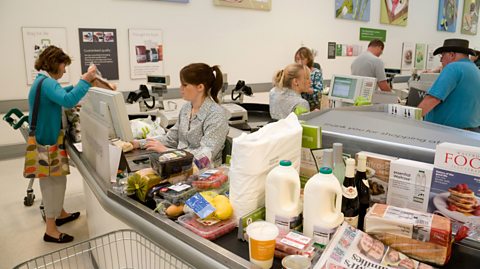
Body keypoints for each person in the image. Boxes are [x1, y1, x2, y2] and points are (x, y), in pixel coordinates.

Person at [28, 45, 97, 243]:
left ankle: (60, 213)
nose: (64, 70)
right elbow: (67, 101)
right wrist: (85, 81)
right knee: (53, 183)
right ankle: (51, 229)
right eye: (63, 65)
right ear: (55, 64)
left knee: (57, 180)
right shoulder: (47, 83)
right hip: (47, 142)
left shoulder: (44, 81)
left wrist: (80, 84)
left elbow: (60, 92)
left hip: (48, 138)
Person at [132, 63, 228, 168]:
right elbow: (171, 139)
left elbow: (204, 158)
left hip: (203, 175)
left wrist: (167, 152)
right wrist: (138, 143)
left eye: (185, 85)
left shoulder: (216, 115)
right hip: (179, 166)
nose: (180, 88)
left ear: (200, 87)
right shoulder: (186, 108)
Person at [417, 38, 480, 132]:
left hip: (449, 132)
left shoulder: (453, 67)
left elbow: (433, 99)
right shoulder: (475, 69)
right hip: (472, 131)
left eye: (442, 56)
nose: (441, 60)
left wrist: (410, 118)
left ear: (452, 55)